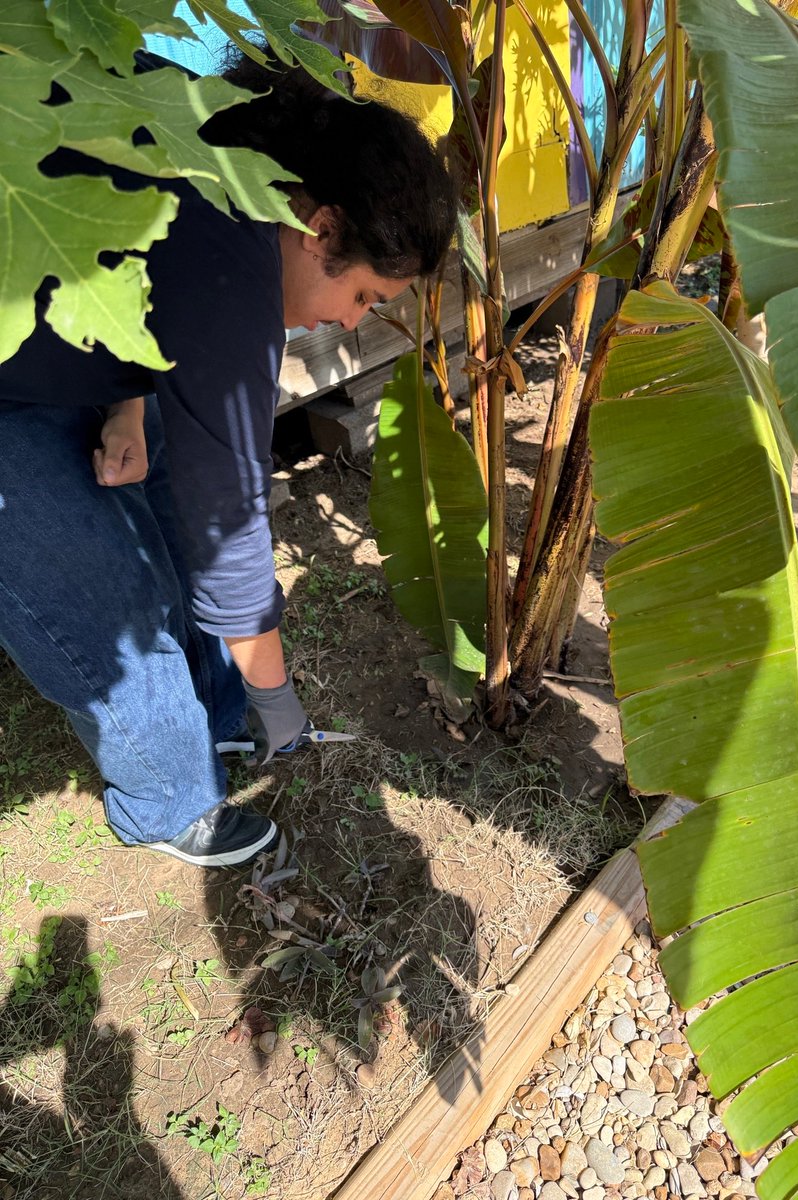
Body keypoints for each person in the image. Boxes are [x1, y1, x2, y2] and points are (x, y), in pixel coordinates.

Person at [0, 49, 457, 868]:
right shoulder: (235, 276)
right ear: (322, 228)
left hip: (38, 340)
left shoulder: (221, 170)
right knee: (103, 600)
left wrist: (125, 403)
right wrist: (282, 696)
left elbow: (139, 273)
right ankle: (167, 801)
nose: (350, 324)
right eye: (363, 298)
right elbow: (232, 536)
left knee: (169, 480)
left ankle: (217, 719)